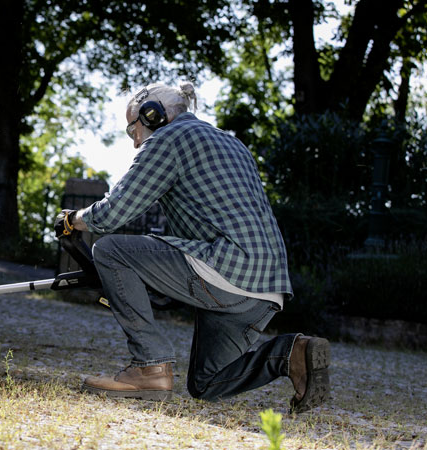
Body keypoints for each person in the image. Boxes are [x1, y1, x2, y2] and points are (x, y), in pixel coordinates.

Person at [54, 82, 330, 413]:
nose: (135, 141)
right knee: (207, 383)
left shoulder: (168, 139)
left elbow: (114, 213)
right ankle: (290, 353)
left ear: (152, 115)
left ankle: (149, 366)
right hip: (267, 286)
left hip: (228, 268)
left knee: (110, 250)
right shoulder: (231, 142)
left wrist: (72, 220)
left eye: (133, 130)